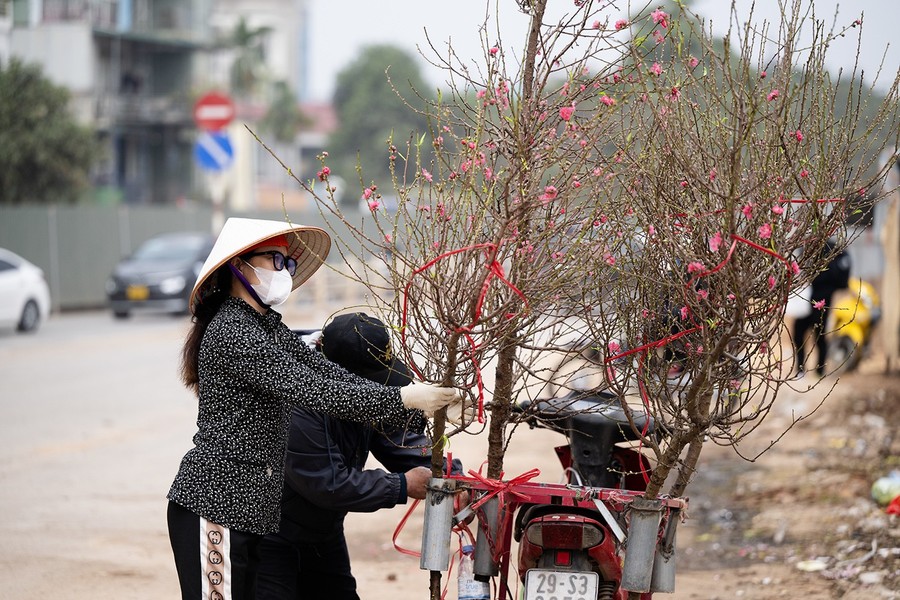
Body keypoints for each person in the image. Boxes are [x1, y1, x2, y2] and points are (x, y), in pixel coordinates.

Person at [166, 218, 464, 600]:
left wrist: (422, 402)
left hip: (253, 512)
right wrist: (403, 399)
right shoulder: (232, 333)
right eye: (276, 260)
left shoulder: (267, 327)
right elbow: (314, 390)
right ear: (239, 265)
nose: (284, 272)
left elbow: (329, 373)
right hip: (216, 506)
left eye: (288, 264)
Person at [256, 312, 465, 600]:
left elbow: (399, 440)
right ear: (339, 374)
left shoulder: (367, 395)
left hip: (322, 531)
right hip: (270, 534)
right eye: (371, 383)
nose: (378, 391)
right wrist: (402, 485)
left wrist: (451, 475)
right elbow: (327, 482)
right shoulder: (297, 401)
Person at [792, 239, 851, 378]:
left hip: (821, 298)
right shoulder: (810, 245)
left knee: (819, 334)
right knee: (802, 333)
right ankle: (803, 368)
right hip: (806, 297)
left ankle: (819, 369)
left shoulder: (832, 248)